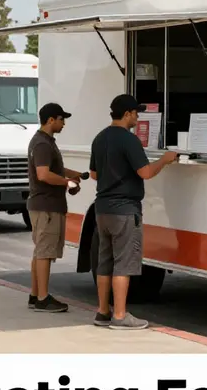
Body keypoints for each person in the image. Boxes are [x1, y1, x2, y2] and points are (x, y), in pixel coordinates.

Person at [89, 94, 178, 330]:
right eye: (136, 113)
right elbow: (145, 173)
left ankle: (102, 312)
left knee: (104, 263)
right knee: (123, 263)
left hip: (102, 209)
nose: (137, 118)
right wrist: (165, 160)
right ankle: (120, 315)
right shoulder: (129, 140)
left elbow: (94, 175)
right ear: (127, 114)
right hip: (125, 210)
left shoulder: (99, 138)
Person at [26, 102, 85, 313]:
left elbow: (55, 169)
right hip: (46, 206)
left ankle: (35, 295)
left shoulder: (45, 142)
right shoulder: (42, 144)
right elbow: (43, 174)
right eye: (61, 119)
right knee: (45, 252)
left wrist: (72, 174)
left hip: (45, 205)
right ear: (51, 120)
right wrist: (67, 183)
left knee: (40, 251)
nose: (64, 124)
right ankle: (43, 298)